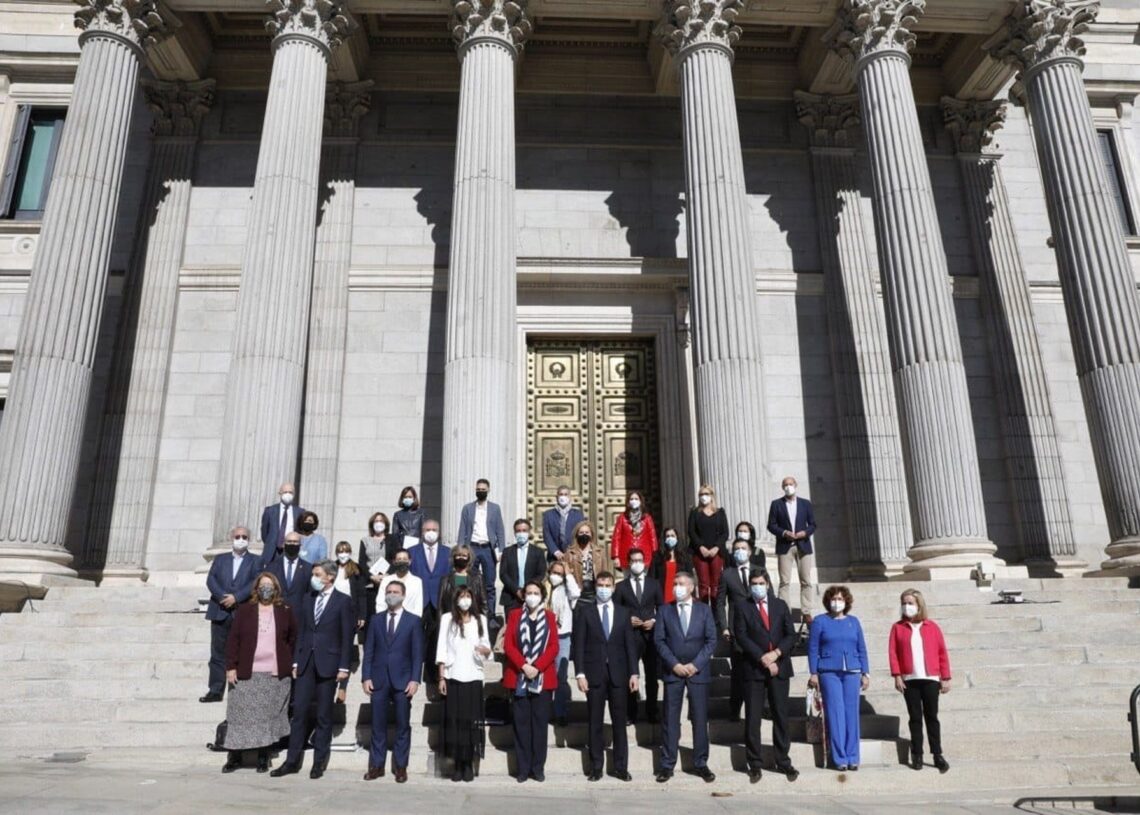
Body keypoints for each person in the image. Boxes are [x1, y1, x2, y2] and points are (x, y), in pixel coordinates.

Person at [271, 560, 355, 779]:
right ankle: (292, 761)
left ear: (330, 577)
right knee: (298, 713)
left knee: (323, 716)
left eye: (318, 574)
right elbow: (302, 632)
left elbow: (347, 636)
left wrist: (344, 667)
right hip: (306, 663)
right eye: (314, 574)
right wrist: (296, 661)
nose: (314, 578)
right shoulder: (307, 599)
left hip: (329, 664)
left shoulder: (343, 601)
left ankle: (318, 762)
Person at [221, 572, 297, 773]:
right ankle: (234, 757)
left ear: (276, 589)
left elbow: (291, 638)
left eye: (269, 586)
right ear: (256, 588)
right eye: (263, 586)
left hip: (272, 674)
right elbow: (233, 640)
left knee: (266, 716)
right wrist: (231, 666)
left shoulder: (284, 610)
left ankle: (263, 756)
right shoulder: (245, 610)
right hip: (247, 671)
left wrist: (287, 662)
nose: (266, 589)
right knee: (239, 715)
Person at [732, 570, 798, 783]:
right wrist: (762, 658)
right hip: (754, 668)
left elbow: (791, 634)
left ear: (768, 584)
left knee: (780, 715)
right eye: (754, 583)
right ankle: (755, 763)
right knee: (752, 718)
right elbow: (741, 636)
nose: (757, 586)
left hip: (779, 667)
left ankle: (783, 760)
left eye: (761, 582)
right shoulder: (742, 606)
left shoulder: (780, 605)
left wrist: (776, 655)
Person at [572, 572, 639, 781]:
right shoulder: (585, 611)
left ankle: (620, 766)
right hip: (594, 674)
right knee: (595, 722)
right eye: (600, 584)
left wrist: (634, 672)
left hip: (619, 674)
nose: (603, 588)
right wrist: (580, 673)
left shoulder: (623, 612)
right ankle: (596, 767)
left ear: (613, 588)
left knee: (619, 722)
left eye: (607, 585)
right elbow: (579, 645)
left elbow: (630, 646)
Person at [654, 571, 717, 783]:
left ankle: (701, 763)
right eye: (674, 584)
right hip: (674, 672)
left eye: (681, 584)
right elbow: (660, 641)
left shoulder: (704, 610)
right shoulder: (664, 611)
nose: (676, 587)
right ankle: (667, 764)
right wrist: (675, 664)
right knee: (670, 719)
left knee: (699, 718)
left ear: (691, 587)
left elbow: (711, 641)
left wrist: (695, 665)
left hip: (697, 672)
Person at [362, 579, 424, 784]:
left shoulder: (413, 621)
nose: (392, 594)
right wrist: (366, 676)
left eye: (396, 591)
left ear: (404, 595)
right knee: (377, 724)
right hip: (379, 679)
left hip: (402, 679)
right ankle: (376, 765)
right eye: (389, 591)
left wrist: (415, 679)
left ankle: (400, 766)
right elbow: (369, 650)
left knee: (402, 725)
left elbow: (417, 654)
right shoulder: (376, 619)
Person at [502, 580, 560, 783]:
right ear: (523, 595)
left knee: (539, 725)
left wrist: (537, 667)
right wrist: (523, 666)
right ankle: (523, 768)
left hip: (542, 679)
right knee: (521, 725)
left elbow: (554, 647)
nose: (532, 596)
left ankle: (538, 767)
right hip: (519, 677)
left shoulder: (550, 617)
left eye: (536, 592)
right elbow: (508, 644)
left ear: (542, 596)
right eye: (529, 592)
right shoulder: (515, 615)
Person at [888, 589, 951, 773]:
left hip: (930, 678)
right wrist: (897, 675)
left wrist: (945, 677)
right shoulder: (898, 627)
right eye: (904, 602)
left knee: (932, 717)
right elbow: (893, 653)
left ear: (919, 605)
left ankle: (937, 754)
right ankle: (917, 754)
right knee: (915, 718)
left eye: (910, 603)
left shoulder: (932, 627)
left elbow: (942, 653)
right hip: (910, 679)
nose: (906, 606)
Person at [807, 585, 870, 772]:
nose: (837, 602)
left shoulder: (854, 622)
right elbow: (813, 649)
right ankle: (840, 757)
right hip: (829, 672)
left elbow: (862, 648)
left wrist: (866, 672)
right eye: (834, 599)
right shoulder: (820, 621)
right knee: (836, 714)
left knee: (851, 714)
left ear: (846, 602)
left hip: (852, 670)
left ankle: (853, 757)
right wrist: (813, 672)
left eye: (840, 599)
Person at [436, 586, 492, 782]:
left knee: (470, 722)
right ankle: (457, 764)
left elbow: (488, 649)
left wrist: (484, 650)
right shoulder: (447, 619)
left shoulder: (480, 620)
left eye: (468, 596)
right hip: (453, 675)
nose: (465, 600)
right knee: (455, 720)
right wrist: (441, 677)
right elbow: (441, 648)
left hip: (473, 675)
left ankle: (468, 762)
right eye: (462, 597)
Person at [201, 527, 259, 703]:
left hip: (242, 611)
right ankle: (215, 690)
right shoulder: (220, 559)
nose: (241, 539)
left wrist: (236, 597)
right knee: (217, 653)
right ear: (231, 538)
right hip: (220, 610)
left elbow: (255, 581)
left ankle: (239, 689)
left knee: (242, 652)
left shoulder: (256, 561)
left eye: (244, 537)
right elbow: (211, 579)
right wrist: (222, 597)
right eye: (237, 536)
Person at [613, 548, 662, 724]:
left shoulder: (654, 584)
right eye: (633, 560)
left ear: (645, 562)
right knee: (631, 675)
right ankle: (630, 713)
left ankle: (652, 711)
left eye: (640, 560)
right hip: (631, 637)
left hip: (650, 636)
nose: (637, 563)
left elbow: (662, 608)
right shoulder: (620, 587)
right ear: (628, 563)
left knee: (651, 676)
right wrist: (627, 619)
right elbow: (616, 611)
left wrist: (654, 620)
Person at [716, 536, 758, 721]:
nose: (740, 551)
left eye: (743, 547)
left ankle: (756, 707)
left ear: (749, 551)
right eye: (736, 548)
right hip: (736, 629)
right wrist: (724, 626)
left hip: (757, 628)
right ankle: (735, 708)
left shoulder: (760, 571)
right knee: (738, 671)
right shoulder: (727, 574)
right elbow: (720, 603)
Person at [767, 475, 817, 623]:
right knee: (784, 581)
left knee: (806, 580)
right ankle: (784, 611)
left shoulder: (805, 504)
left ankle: (806, 612)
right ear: (782, 487)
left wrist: (805, 532)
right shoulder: (776, 504)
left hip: (803, 545)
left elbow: (813, 524)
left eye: (790, 484)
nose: (788, 487)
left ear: (796, 485)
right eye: (785, 485)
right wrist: (784, 533)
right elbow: (771, 524)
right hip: (785, 546)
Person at [456, 478, 506, 611]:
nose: (480, 491)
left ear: (488, 490)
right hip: (472, 547)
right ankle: (470, 610)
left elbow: (500, 530)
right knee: (467, 580)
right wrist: (460, 549)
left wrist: (501, 549)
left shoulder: (495, 508)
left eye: (483, 489)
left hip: (488, 549)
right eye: (478, 489)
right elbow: (463, 529)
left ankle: (491, 614)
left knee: (490, 584)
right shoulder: (467, 508)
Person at [332, 540, 369, 703]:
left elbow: (361, 594)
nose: (343, 553)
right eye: (340, 550)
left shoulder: (356, 570)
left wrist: (362, 615)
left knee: (346, 647)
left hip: (350, 612)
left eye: (346, 550)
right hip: (332, 612)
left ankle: (342, 688)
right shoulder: (330, 567)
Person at [546, 560, 580, 727]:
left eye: (559, 574)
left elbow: (576, 593)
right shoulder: (544, 589)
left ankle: (560, 712)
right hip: (544, 636)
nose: (556, 576)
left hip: (562, 636)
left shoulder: (567, 591)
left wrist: (568, 573)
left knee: (561, 675)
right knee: (545, 674)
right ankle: (544, 711)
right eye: (554, 573)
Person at [687, 485, 729, 603]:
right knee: (703, 584)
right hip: (700, 553)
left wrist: (716, 547)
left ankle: (717, 615)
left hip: (716, 552)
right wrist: (701, 547)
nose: (703, 497)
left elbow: (725, 533)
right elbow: (691, 531)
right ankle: (704, 612)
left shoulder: (720, 513)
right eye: (701, 494)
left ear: (712, 496)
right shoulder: (695, 512)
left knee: (716, 584)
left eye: (706, 494)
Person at [499, 518, 546, 614]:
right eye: (518, 531)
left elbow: (541, 573)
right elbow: (503, 574)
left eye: (524, 531)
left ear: (529, 532)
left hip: (531, 597)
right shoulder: (507, 552)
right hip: (511, 597)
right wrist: (516, 590)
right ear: (514, 533)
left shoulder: (538, 552)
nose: (521, 533)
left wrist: (527, 589)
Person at [610, 490, 658, 574]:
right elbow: (616, 537)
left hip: (644, 554)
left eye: (636, 499)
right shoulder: (622, 518)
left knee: (643, 580)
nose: (634, 501)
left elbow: (652, 536)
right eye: (631, 499)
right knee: (628, 580)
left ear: (640, 501)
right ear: (628, 502)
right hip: (626, 555)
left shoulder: (647, 518)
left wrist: (655, 554)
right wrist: (615, 556)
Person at [259, 483, 304, 565]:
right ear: (280, 493)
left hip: (290, 550)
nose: (288, 494)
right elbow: (264, 533)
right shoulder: (270, 511)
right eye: (285, 492)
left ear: (294, 494)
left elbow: (300, 532)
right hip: (272, 552)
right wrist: (271, 542)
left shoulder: (300, 512)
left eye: (290, 492)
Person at [438, 544, 487, 617]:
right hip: (451, 619)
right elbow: (441, 606)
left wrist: (483, 624)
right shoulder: (445, 580)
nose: (461, 558)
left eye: (464, 556)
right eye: (458, 555)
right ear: (453, 557)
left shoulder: (477, 579)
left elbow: (483, 604)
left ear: (469, 558)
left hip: (472, 620)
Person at [359, 511, 394, 614]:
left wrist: (387, 575)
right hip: (370, 583)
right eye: (376, 521)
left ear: (386, 524)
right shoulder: (365, 540)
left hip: (387, 581)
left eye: (381, 521)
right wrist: (371, 576)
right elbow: (362, 562)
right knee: (371, 613)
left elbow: (395, 559)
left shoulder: (392, 539)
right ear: (372, 524)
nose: (379, 523)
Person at [266, 532, 312, 610]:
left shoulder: (308, 568)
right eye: (289, 541)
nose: (292, 544)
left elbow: (309, 594)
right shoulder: (272, 567)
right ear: (284, 544)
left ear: (300, 545)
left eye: (295, 542)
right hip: (276, 611)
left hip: (298, 614)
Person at [563, 519, 605, 603]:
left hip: (594, 590)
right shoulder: (570, 552)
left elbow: (604, 571)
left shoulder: (599, 552)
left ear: (591, 534)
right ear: (577, 534)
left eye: (587, 532)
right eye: (581, 533)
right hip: (578, 591)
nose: (584, 535)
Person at [542, 485, 585, 563]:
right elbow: (546, 535)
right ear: (556, 497)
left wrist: (574, 551)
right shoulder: (548, 515)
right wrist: (555, 551)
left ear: (570, 497)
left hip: (573, 556)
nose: (563, 497)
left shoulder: (578, 515)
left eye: (565, 494)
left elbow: (580, 534)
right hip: (554, 557)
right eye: (561, 494)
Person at [649, 526, 692, 603]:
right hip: (662, 597)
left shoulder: (685, 556)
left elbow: (690, 577)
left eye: (672, 536)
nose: (670, 538)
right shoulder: (657, 556)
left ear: (677, 538)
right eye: (667, 536)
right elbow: (652, 577)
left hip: (681, 596)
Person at [379, 549, 423, 616]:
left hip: (410, 621)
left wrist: (415, 622)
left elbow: (418, 606)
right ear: (394, 562)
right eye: (399, 559)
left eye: (405, 559)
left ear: (409, 561)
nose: (402, 561)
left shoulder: (417, 581)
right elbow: (380, 603)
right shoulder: (386, 580)